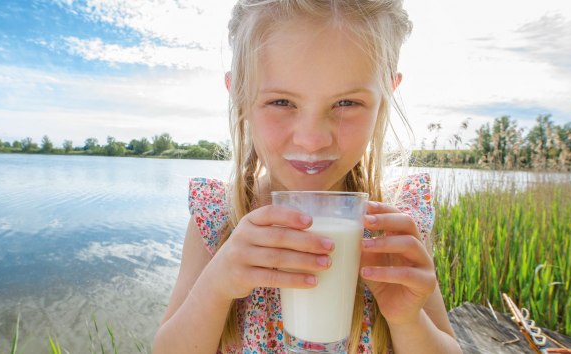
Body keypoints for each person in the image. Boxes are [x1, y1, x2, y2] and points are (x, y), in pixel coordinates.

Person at [153, 0, 462, 353]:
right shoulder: (218, 219)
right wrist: (217, 284)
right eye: (282, 102)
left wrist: (408, 319)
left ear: (387, 94)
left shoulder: (394, 225)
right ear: (239, 95)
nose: (312, 140)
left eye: (346, 103)